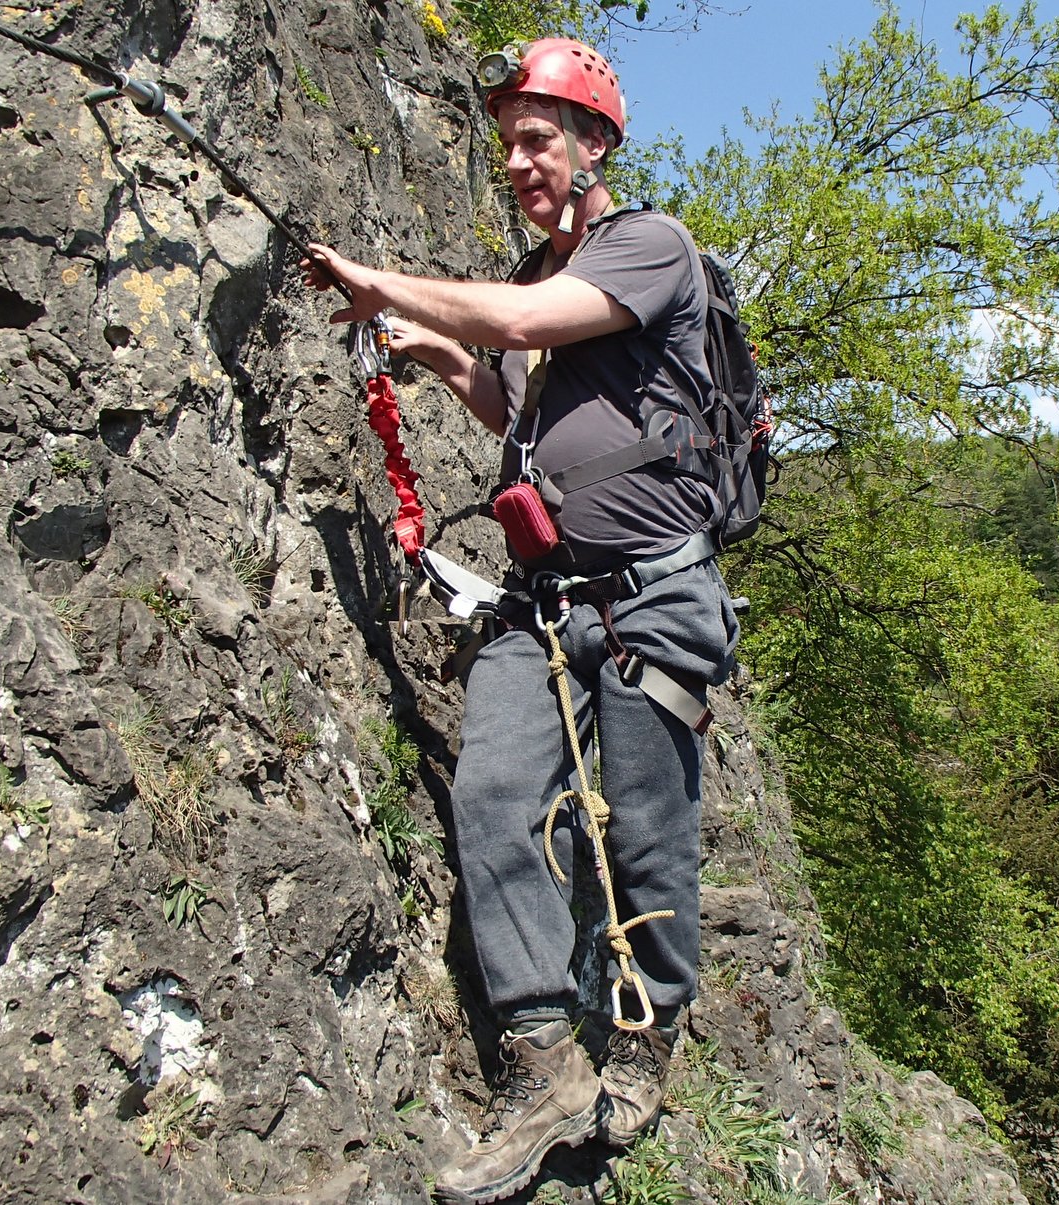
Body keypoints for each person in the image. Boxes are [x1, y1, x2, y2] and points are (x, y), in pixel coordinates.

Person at [302, 38, 738, 1204]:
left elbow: (529, 320)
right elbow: (519, 412)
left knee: (645, 828)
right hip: (544, 598)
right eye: (505, 144)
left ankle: (645, 1036)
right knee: (494, 794)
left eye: (536, 139)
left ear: (594, 145)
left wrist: (387, 284)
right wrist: (446, 356)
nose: (515, 162)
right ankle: (542, 1061)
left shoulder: (648, 247)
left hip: (651, 597)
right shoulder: (538, 280)